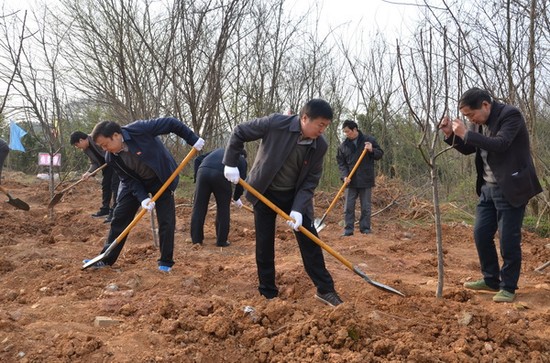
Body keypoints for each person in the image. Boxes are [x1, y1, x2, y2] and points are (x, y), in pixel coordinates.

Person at [223, 98, 343, 307]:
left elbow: (310, 181)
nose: (322, 130)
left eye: (326, 126)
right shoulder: (275, 124)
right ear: (305, 118)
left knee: (310, 241)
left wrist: (298, 210)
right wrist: (231, 163)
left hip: (295, 196)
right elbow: (240, 131)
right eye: (320, 125)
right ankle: (268, 292)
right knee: (264, 242)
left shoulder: (320, 146)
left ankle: (325, 289)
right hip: (264, 191)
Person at [440, 87, 542, 303]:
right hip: (487, 188)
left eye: (471, 114)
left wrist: (467, 133)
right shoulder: (480, 122)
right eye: (466, 117)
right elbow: (471, 148)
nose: (470, 119)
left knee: (508, 240)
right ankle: (490, 279)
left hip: (510, 187)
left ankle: (508, 287)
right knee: (481, 234)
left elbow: (501, 144)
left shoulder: (510, 116)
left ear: (485, 105)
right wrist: (451, 134)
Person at [83, 118, 204, 272]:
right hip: (136, 182)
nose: (105, 149)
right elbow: (127, 178)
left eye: (105, 145)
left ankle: (165, 262)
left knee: (166, 220)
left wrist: (192, 139)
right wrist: (143, 198)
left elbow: (171, 123)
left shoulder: (140, 130)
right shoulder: (111, 157)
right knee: (120, 216)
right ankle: (106, 259)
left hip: (162, 177)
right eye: (101, 147)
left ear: (116, 135)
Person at [190, 148, 247, 247]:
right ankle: (221, 241)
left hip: (203, 172)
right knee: (223, 208)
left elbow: (197, 160)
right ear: (243, 155)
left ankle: (196, 239)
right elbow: (240, 181)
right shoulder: (241, 159)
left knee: (199, 207)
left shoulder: (217, 151)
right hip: (220, 175)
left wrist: (196, 178)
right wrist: (237, 197)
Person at [336, 120, 383, 236]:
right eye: (344, 132)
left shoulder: (369, 140)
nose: (346, 134)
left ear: (355, 129)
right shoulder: (343, 146)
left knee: (366, 207)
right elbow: (341, 163)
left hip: (365, 179)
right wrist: (344, 176)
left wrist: (372, 150)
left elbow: (380, 154)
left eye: (348, 131)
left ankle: (365, 229)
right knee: (348, 207)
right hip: (350, 181)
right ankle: (348, 230)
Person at [70, 131, 120, 223]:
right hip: (106, 167)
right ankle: (105, 209)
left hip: (115, 163)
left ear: (81, 140)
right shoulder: (86, 149)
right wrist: (88, 173)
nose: (78, 148)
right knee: (105, 186)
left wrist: (110, 158)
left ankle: (114, 212)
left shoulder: (96, 138)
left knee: (115, 186)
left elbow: (110, 148)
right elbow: (94, 163)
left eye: (77, 145)